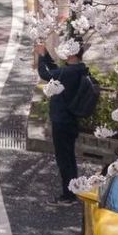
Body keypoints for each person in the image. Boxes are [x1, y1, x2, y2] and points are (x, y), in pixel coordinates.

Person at [34, 40, 90, 203]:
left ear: (72, 54)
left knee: (64, 158)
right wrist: (46, 55)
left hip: (62, 120)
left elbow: (46, 75)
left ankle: (68, 194)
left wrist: (40, 57)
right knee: (69, 156)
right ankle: (73, 190)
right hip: (70, 120)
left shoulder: (70, 72)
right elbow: (57, 72)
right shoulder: (79, 69)